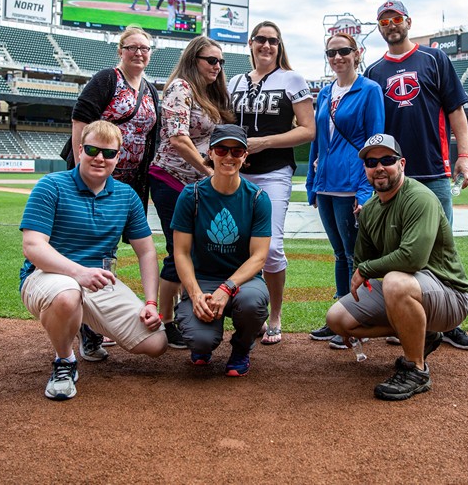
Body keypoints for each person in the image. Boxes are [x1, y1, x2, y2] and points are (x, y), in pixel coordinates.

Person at [19, 120, 167, 401]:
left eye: (109, 153)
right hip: (47, 276)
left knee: (156, 343)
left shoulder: (126, 196)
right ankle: (64, 362)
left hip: (97, 282)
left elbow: (146, 252)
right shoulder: (51, 186)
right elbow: (33, 246)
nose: (100, 158)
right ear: (79, 150)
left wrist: (150, 302)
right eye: (92, 150)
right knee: (67, 295)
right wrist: (79, 273)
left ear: (118, 156)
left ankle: (87, 327)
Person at [364, 0, 468, 352]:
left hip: (433, 169)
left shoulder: (434, 59)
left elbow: (455, 109)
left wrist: (464, 155)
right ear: (379, 27)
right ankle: (404, 319)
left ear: (408, 22)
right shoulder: (372, 72)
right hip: (391, 175)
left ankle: (450, 323)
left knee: (442, 251)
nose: (391, 25)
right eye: (384, 21)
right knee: (396, 249)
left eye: (396, 18)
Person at [325, 134, 468, 401]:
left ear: (401, 163)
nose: (379, 167)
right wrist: (362, 280)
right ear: (365, 169)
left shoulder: (419, 198)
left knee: (394, 280)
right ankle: (421, 334)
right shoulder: (369, 210)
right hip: (411, 290)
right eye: (371, 162)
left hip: (449, 294)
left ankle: (415, 369)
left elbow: (412, 259)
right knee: (338, 319)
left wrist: (366, 269)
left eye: (387, 160)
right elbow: (360, 262)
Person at [227, 21, 315, 345]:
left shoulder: (292, 79)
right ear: (251, 44)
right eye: (261, 40)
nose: (266, 46)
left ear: (280, 47)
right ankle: (250, 314)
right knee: (237, 247)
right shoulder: (235, 81)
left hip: (274, 171)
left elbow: (308, 130)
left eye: (273, 41)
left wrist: (264, 142)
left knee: (273, 248)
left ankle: (275, 314)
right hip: (236, 172)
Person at [148, 36, 234, 348]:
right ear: (193, 60)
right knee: (177, 250)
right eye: (211, 60)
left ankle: (186, 313)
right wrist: (209, 170)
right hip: (171, 178)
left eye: (221, 62)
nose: (217, 66)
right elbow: (177, 139)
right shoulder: (180, 88)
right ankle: (166, 321)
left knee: (194, 252)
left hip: (194, 182)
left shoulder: (209, 92)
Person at [171, 124, 271, 376]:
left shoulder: (257, 198)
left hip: (242, 281)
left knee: (252, 304)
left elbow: (259, 257)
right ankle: (202, 340)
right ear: (210, 153)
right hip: (202, 280)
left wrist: (227, 287)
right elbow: (180, 252)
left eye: (237, 151)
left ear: (245, 156)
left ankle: (241, 348)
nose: (229, 156)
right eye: (222, 149)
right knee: (200, 341)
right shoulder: (191, 195)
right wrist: (194, 295)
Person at [305, 32, 385, 348]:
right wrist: (312, 185)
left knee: (355, 256)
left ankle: (356, 320)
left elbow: (375, 141)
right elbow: (317, 142)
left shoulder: (369, 90)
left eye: (343, 51)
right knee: (340, 254)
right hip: (326, 185)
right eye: (331, 53)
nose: (337, 57)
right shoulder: (324, 94)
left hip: (352, 185)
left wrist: (366, 192)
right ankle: (339, 317)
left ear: (357, 53)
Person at [71, 26, 160, 209]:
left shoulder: (150, 90)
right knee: (89, 224)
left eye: (144, 48)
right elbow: (80, 121)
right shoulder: (107, 78)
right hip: (98, 170)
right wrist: (81, 169)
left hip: (132, 178)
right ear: (120, 51)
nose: (138, 53)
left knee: (116, 226)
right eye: (132, 48)